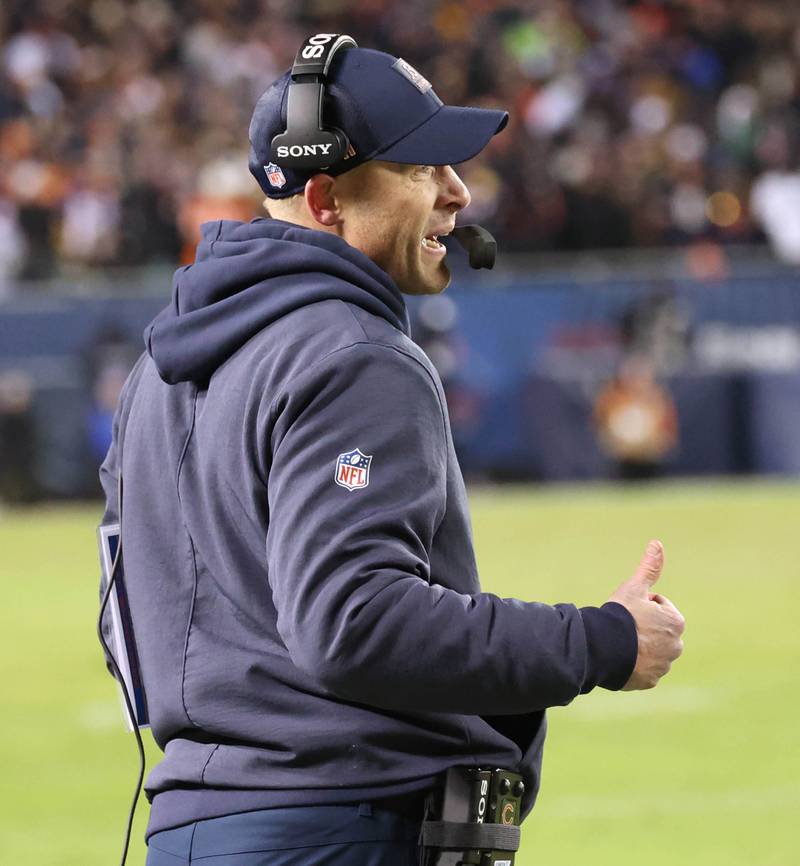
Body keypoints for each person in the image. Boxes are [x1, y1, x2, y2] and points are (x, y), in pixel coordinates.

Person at [99, 40, 685, 866]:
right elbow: (352, 621)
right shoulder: (352, 352)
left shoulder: (156, 375)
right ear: (326, 197)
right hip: (341, 829)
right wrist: (598, 643)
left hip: (198, 828)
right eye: (419, 168)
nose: (458, 192)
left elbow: (125, 628)